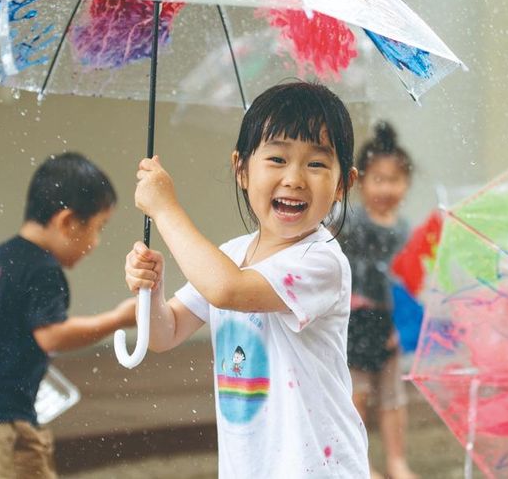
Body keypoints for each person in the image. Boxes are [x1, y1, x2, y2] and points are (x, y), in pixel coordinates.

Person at [124, 81, 368, 478]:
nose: (295, 178)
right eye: (276, 158)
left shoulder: (321, 261)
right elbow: (164, 334)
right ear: (241, 169)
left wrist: (165, 209)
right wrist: (150, 289)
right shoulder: (233, 255)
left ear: (344, 184)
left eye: (317, 164)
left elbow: (228, 289)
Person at [0, 152, 138, 479]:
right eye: (97, 228)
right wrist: (117, 319)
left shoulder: (2, 254)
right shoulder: (44, 270)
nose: (96, 242)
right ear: (67, 222)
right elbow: (52, 335)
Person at [338, 121, 418, 479]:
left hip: (390, 321)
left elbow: (411, 279)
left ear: (407, 184)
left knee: (392, 398)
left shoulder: (404, 229)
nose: (386, 188)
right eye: (378, 179)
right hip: (354, 320)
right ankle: (361, 464)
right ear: (361, 180)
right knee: (356, 396)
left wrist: (405, 326)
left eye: (395, 180)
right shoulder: (349, 220)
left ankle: (397, 461)